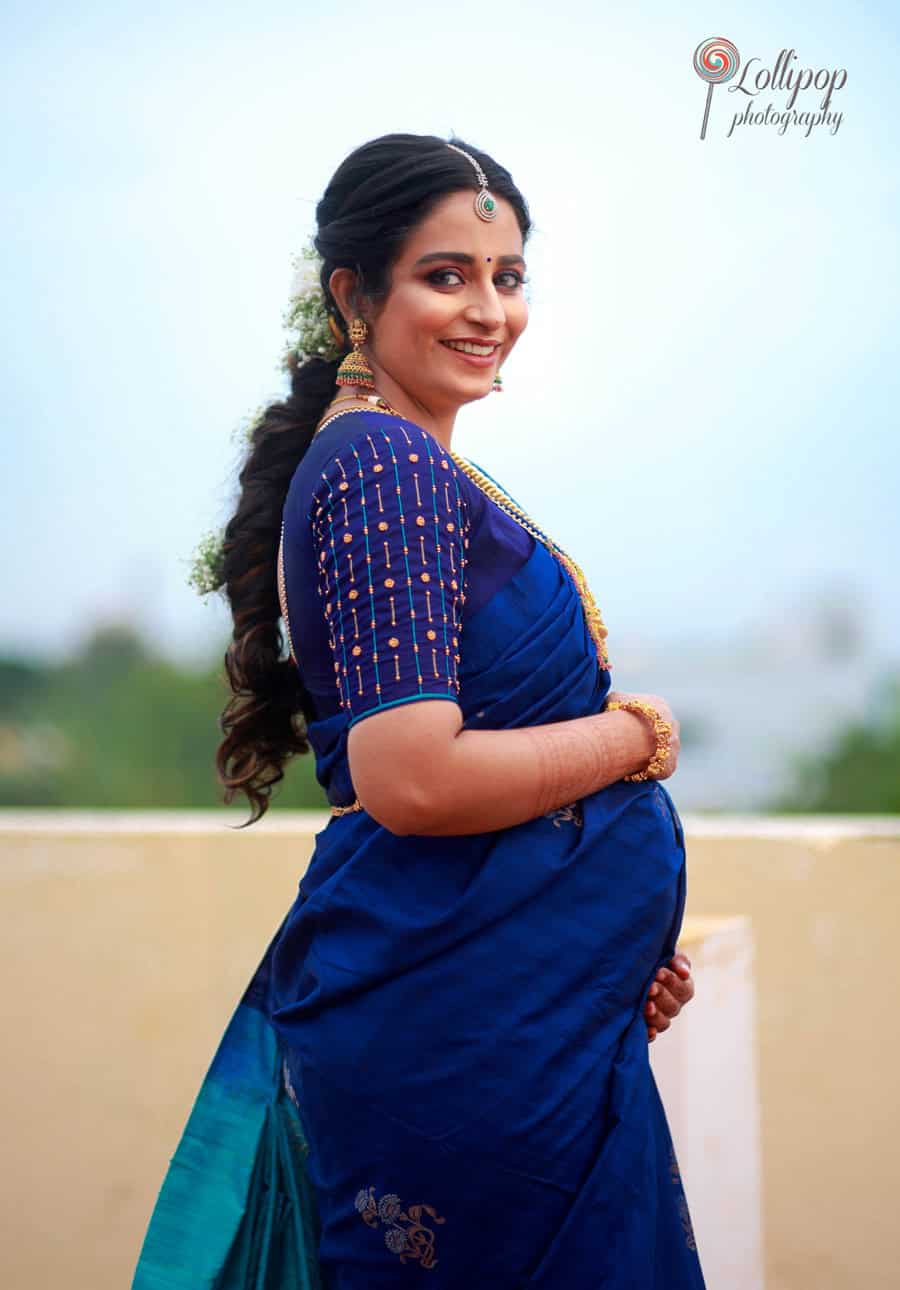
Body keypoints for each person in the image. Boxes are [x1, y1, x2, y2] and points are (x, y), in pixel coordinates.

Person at [133, 133, 703, 1288]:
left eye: (509, 275)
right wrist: (636, 739)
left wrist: (594, 954)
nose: (489, 308)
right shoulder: (386, 468)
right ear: (355, 293)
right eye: (447, 274)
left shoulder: (400, 467)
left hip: (506, 1024)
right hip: (459, 1047)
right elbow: (415, 779)